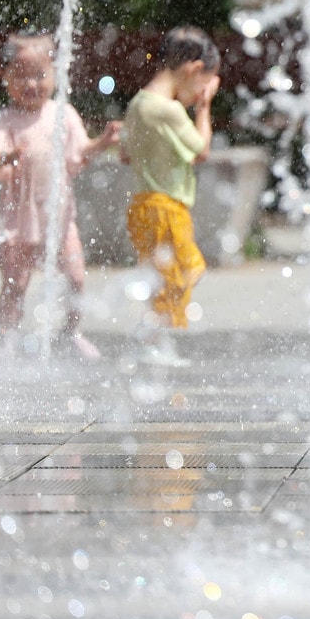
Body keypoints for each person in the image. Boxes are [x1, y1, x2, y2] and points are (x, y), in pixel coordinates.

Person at [0, 32, 120, 360]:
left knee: (76, 278)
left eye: (40, 75)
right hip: (20, 221)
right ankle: (9, 337)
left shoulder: (63, 113)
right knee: (15, 284)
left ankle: (71, 332)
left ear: (55, 74)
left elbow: (79, 154)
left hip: (60, 220)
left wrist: (101, 142)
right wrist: (8, 155)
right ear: (6, 80)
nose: (31, 84)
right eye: (21, 77)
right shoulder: (5, 120)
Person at [120, 27, 221, 368]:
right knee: (186, 270)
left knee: (164, 277)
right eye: (202, 85)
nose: (198, 95)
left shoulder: (137, 105)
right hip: (165, 207)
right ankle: (150, 339)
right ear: (193, 69)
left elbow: (125, 155)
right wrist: (204, 109)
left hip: (144, 206)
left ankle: (157, 340)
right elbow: (201, 150)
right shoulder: (169, 110)